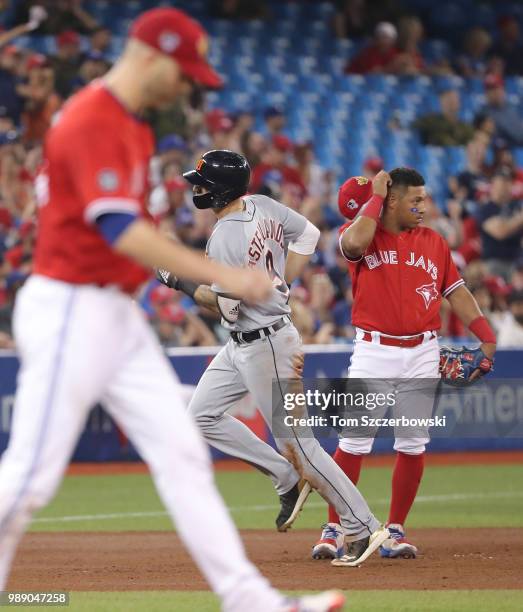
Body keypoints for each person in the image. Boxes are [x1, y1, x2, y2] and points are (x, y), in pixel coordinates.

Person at [0, 9, 344, 612]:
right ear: (151, 57)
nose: (189, 88)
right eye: (184, 75)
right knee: (29, 480)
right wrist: (224, 276)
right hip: (69, 311)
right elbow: (118, 229)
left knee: (184, 454)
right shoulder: (91, 118)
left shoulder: (134, 128)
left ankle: (250, 600)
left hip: (113, 312)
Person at [157, 149, 389, 568]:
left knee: (301, 445)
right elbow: (310, 235)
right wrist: (285, 278)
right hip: (246, 342)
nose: (198, 187)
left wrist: (181, 282)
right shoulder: (261, 204)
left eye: (204, 182)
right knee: (201, 416)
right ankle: (285, 478)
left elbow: (225, 308)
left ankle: (362, 526)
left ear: (222, 188)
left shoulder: (225, 235)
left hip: (265, 345)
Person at [312, 169, 497, 561]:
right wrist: (375, 198)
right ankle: (336, 527)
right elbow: (354, 241)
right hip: (374, 350)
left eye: (424, 199)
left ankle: (394, 529)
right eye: (414, 199)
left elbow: (457, 292)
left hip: (423, 351)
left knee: (412, 444)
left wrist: (486, 336)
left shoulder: (433, 242)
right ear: (391, 201)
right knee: (353, 443)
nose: (422, 206)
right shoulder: (363, 232)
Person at [476, 169, 523, 280]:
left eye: (507, 182)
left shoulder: (516, 206)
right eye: (500, 182)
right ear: (493, 184)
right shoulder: (485, 208)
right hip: (493, 262)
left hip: (516, 262)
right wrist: (520, 217)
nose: (504, 186)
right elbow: (500, 232)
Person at [481, 74, 523, 147]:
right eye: (490, 89)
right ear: (486, 93)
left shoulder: (512, 107)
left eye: (497, 88)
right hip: (506, 150)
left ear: (503, 89)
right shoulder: (484, 114)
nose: (495, 92)